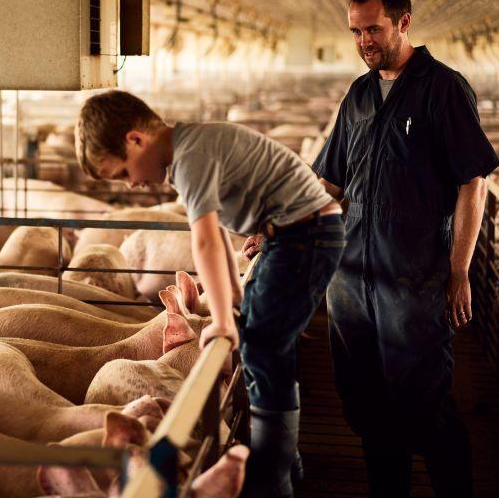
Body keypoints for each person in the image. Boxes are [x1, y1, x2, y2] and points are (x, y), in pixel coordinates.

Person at [75, 91, 345, 497]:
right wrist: (234, 295)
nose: (133, 183)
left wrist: (220, 320)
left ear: (135, 140)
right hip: (294, 235)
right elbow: (217, 232)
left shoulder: (190, 157)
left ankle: (274, 479)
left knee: (262, 349)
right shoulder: (190, 149)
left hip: (304, 236)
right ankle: (285, 464)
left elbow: (204, 242)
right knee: (264, 349)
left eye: (124, 172)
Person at [313, 0, 499, 497]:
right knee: (368, 408)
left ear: (403, 22)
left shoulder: (443, 88)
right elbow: (329, 180)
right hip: (352, 282)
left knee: (425, 405)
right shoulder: (358, 92)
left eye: (373, 29)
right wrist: (280, 223)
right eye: (355, 31)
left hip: (414, 277)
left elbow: (473, 181)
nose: (364, 41)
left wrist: (459, 270)